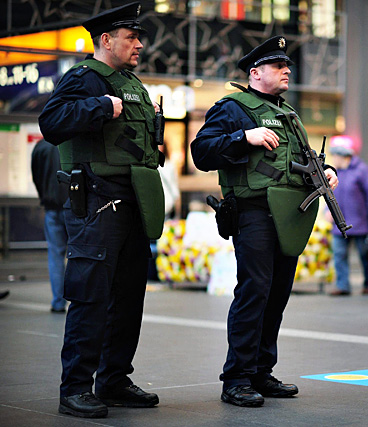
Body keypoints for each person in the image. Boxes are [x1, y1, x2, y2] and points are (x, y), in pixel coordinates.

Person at [191, 35, 338, 408]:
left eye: (287, 65)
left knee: (277, 294)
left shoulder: (289, 114)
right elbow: (202, 152)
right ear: (255, 73)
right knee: (254, 291)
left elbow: (304, 159)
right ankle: (237, 378)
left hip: (289, 213)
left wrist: (328, 172)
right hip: (254, 211)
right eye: (278, 65)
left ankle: (260, 370)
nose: (287, 69)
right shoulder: (233, 107)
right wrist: (245, 136)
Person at [38, 2, 163, 418]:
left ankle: (113, 380)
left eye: (138, 38)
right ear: (106, 40)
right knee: (90, 297)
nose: (139, 45)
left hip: (133, 204)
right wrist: (100, 107)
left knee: (129, 298)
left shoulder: (134, 85)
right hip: (96, 203)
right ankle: (75, 388)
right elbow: (51, 122)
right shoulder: (84, 78)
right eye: (131, 38)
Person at [328, 138, 368, 296]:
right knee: (339, 255)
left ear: (344, 156)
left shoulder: (362, 170)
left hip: (360, 222)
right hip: (339, 223)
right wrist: (327, 210)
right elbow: (329, 193)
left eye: (335, 156)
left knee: (365, 255)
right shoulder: (334, 172)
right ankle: (342, 285)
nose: (333, 159)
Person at [31, 138, 69, 313]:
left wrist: (44, 197)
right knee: (79, 255)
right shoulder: (72, 142)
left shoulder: (41, 147)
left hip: (51, 207)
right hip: (73, 207)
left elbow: (36, 176)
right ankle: (79, 302)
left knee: (55, 255)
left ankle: (58, 302)